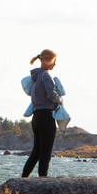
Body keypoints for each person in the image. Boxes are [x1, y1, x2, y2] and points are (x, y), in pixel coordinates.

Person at [21, 49, 63, 178]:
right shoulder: (46, 75)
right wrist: (60, 99)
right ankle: (43, 179)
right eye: (54, 61)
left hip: (36, 116)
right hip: (46, 116)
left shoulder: (35, 76)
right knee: (46, 151)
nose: (55, 64)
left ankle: (23, 178)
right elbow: (51, 94)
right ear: (46, 60)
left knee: (36, 151)